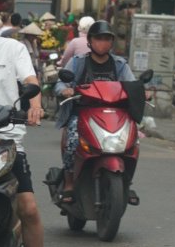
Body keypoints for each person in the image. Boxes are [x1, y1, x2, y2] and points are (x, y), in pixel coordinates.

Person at [0, 23, 60, 247]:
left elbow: (30, 82)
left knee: (29, 207)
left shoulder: (13, 48)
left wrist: (34, 107)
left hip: (6, 140)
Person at [55, 19, 141, 207]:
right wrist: (65, 90)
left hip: (114, 114)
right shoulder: (78, 62)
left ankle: (127, 181)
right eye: (99, 38)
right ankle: (69, 183)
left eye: (107, 39)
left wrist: (143, 91)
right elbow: (60, 83)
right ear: (90, 41)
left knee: (133, 142)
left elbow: (133, 84)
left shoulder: (119, 64)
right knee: (72, 139)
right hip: (83, 113)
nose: (103, 43)